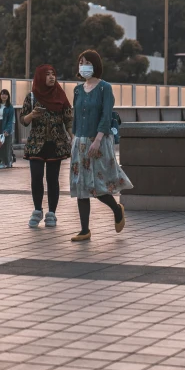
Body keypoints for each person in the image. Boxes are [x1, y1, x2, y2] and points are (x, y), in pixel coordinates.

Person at [70, 49, 133, 242]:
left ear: (95, 64)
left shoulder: (105, 88)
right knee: (81, 185)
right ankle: (84, 230)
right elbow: (75, 117)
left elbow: (106, 117)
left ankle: (116, 209)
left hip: (98, 140)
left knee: (98, 185)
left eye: (87, 62)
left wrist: (97, 140)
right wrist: (73, 139)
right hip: (79, 141)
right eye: (81, 62)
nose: (83, 65)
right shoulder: (78, 90)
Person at [20, 65, 73, 228]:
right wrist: (32, 115)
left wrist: (73, 137)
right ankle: (37, 210)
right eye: (47, 74)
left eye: (53, 74)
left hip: (56, 143)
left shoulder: (61, 95)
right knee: (36, 177)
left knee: (53, 179)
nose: (51, 77)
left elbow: (68, 118)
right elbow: (23, 120)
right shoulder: (31, 97)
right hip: (36, 143)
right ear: (40, 77)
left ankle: (52, 213)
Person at [0, 89, 15, 169]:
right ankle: (0, 162)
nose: (4, 96)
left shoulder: (10, 107)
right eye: (2, 94)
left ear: (8, 96)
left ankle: (8, 161)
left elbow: (10, 120)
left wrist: (7, 130)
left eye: (5, 94)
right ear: (0, 96)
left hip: (6, 127)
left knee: (7, 146)